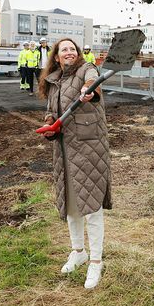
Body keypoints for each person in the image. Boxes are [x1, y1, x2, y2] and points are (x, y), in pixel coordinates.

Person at [38, 38, 110, 288]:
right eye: (63, 50)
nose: (68, 52)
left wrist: (90, 90)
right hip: (64, 149)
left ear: (78, 53)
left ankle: (96, 262)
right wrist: (49, 124)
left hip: (89, 148)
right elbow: (51, 110)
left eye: (72, 49)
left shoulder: (87, 69)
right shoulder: (54, 79)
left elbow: (94, 83)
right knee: (71, 204)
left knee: (91, 205)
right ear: (56, 57)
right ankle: (78, 251)